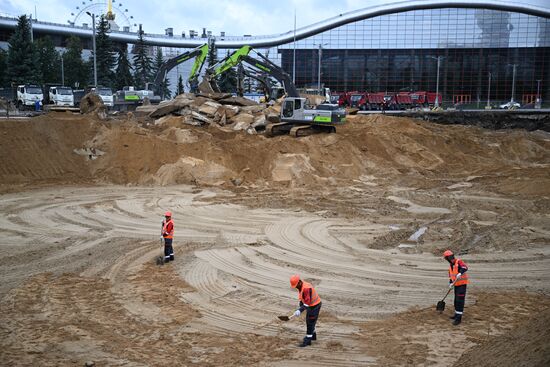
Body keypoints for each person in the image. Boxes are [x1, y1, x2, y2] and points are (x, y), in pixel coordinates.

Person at [289, 274, 322, 347]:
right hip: (312, 305)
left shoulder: (306, 288)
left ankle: (308, 340)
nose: (296, 287)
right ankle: (313, 335)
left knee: (310, 322)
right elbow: (303, 298)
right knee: (310, 321)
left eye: (296, 285)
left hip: (314, 306)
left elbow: (307, 302)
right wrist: (301, 306)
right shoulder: (301, 286)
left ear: (299, 282)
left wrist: (300, 310)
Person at [443, 250, 469, 325]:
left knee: (459, 301)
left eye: (446, 258)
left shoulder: (459, 261)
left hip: (462, 285)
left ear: (448, 258)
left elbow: (465, 267)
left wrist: (460, 272)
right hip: (456, 285)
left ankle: (459, 318)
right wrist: (450, 284)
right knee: (456, 301)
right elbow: (451, 277)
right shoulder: (451, 266)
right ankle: (456, 314)